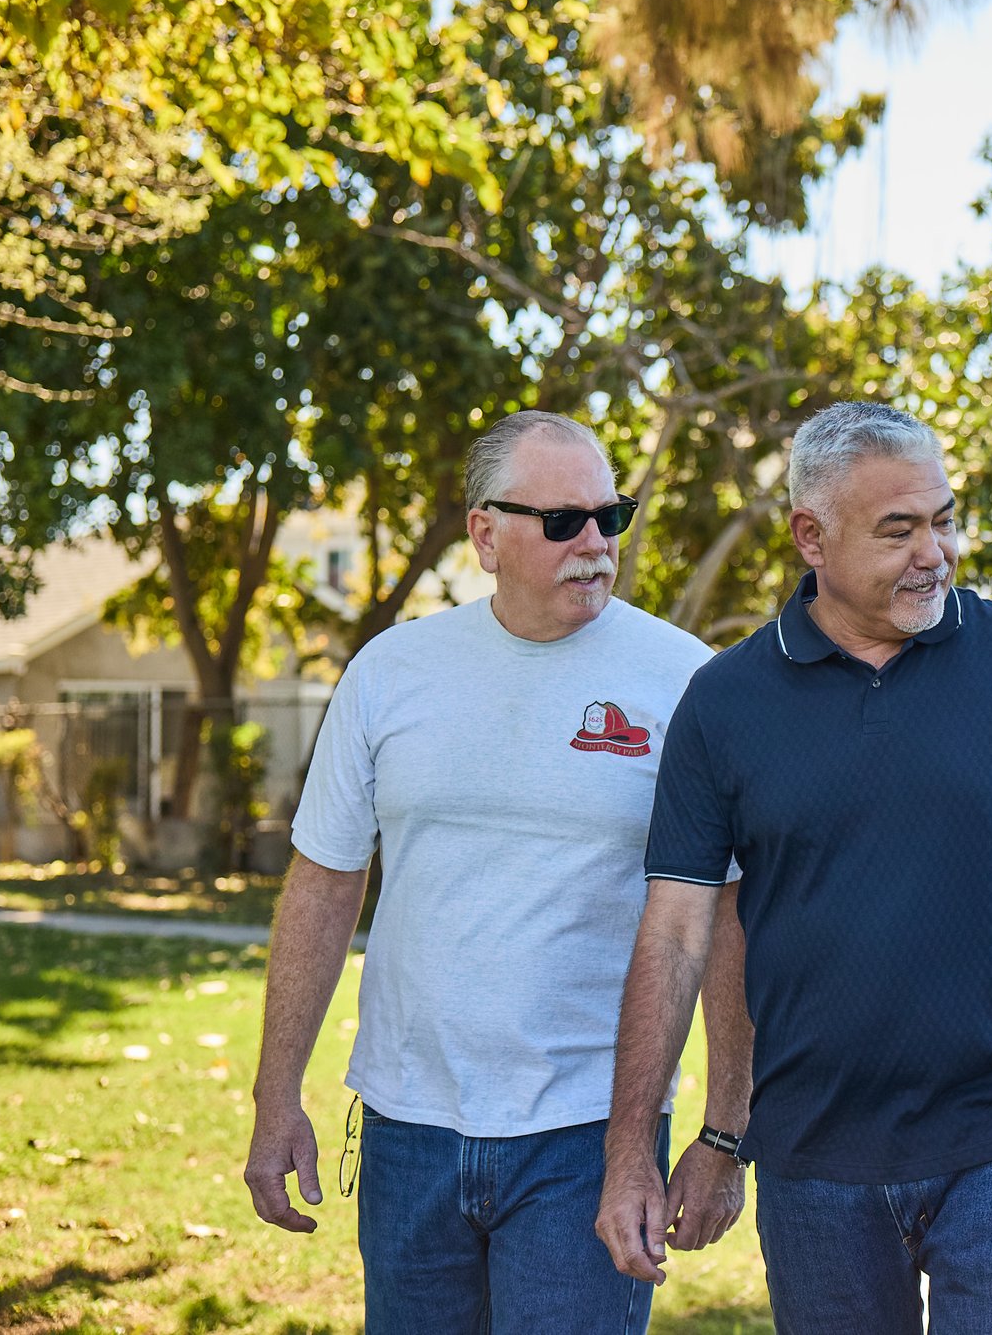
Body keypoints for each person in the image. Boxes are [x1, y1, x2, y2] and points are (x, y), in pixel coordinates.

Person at [594, 401, 992, 1334]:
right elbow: (679, 935)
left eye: (943, 520)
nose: (933, 553)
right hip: (813, 1156)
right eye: (898, 531)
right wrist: (634, 1155)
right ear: (810, 536)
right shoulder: (724, 702)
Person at [244, 410, 750, 1335]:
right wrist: (276, 1095)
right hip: (407, 1131)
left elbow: (722, 917)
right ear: (485, 535)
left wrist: (723, 1133)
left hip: (592, 1137)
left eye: (610, 516)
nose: (595, 543)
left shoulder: (689, 683)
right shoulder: (390, 672)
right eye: (562, 522)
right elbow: (323, 885)